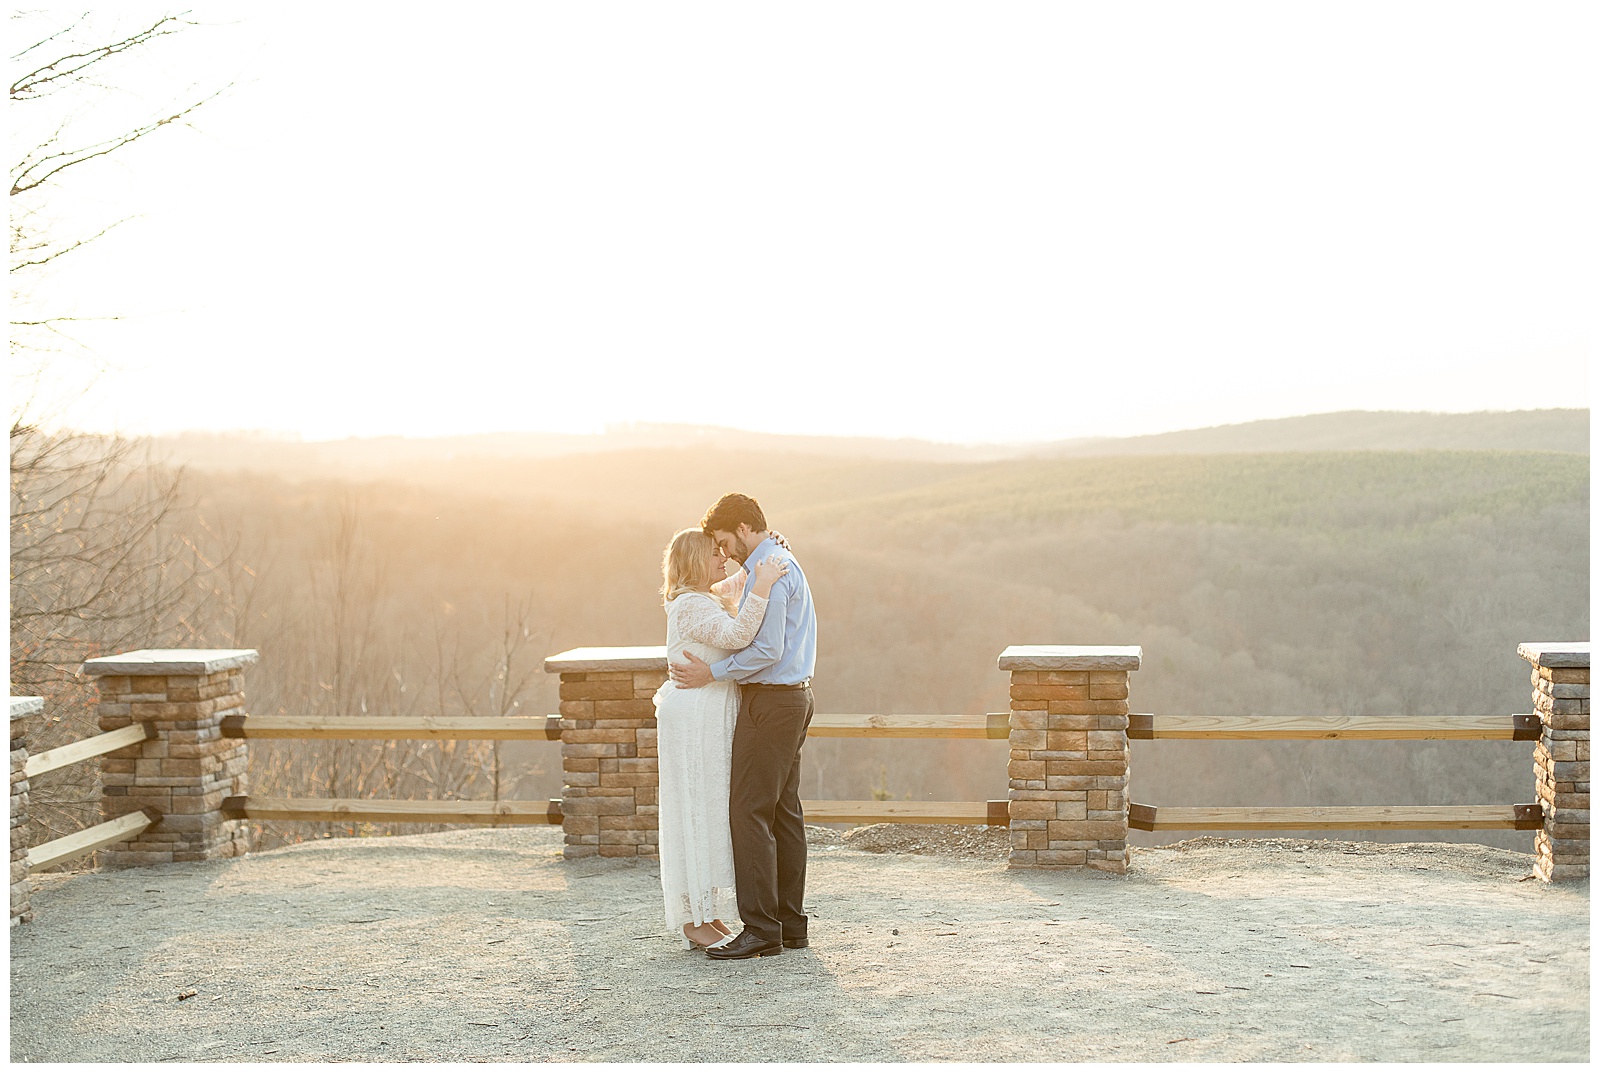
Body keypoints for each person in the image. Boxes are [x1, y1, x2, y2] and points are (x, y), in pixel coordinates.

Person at [670, 493, 819, 961]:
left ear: (740, 528)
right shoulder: (774, 560)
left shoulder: (768, 569)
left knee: (749, 812)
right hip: (794, 698)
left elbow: (766, 649)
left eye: (723, 541)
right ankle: (789, 925)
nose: (723, 551)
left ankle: (761, 930)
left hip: (772, 702)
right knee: (781, 813)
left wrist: (710, 673)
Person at [654, 527, 789, 951]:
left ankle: (707, 912)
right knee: (696, 808)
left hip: (709, 715)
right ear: (695, 561)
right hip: (695, 719)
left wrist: (767, 555)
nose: (723, 559)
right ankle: (694, 918)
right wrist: (764, 583)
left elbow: (733, 586)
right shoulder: (691, 605)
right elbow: (736, 636)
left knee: (712, 811)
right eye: (715, 554)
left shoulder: (702, 597)